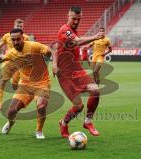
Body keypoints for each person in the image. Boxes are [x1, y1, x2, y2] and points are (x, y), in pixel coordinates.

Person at [0, 28, 52, 139]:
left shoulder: (33, 46)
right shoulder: (12, 52)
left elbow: (50, 51)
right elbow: (0, 59)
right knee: (11, 112)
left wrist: (54, 64)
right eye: (13, 40)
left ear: (23, 38)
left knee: (41, 106)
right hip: (25, 85)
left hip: (42, 83)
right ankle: (11, 123)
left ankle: (39, 131)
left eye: (18, 39)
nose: (16, 42)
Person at [52, 6, 105, 138]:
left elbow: (54, 46)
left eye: (78, 19)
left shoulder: (73, 30)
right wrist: (96, 37)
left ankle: (88, 122)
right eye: (74, 19)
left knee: (95, 91)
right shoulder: (65, 30)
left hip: (78, 71)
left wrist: (53, 62)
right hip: (65, 74)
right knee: (79, 106)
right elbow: (78, 42)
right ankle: (64, 123)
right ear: (67, 16)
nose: (76, 22)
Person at [0, 18, 29, 111]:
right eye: (18, 26)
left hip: (19, 64)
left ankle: (20, 100)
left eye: (21, 26)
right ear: (14, 26)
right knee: (3, 81)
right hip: (7, 62)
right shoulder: (7, 36)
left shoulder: (25, 37)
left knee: (15, 86)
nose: (19, 27)